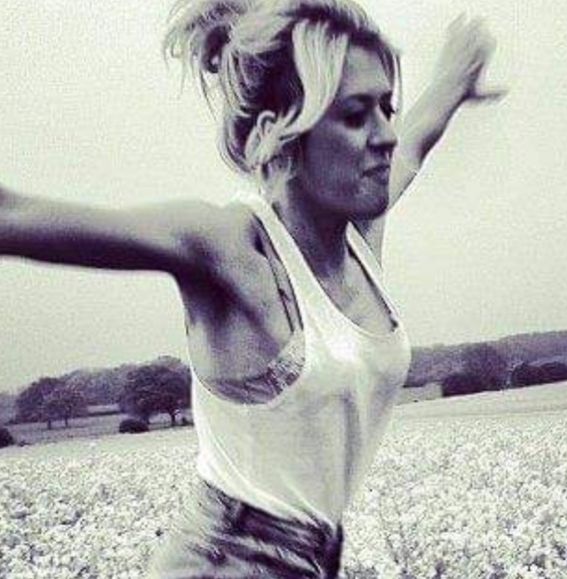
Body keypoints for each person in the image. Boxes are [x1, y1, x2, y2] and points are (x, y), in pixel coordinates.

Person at [0, 0, 505, 577]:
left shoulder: (358, 235)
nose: (385, 135)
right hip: (225, 559)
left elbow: (413, 141)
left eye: (386, 108)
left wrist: (451, 83)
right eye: (355, 115)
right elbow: (14, 217)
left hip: (312, 559)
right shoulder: (232, 249)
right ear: (276, 133)